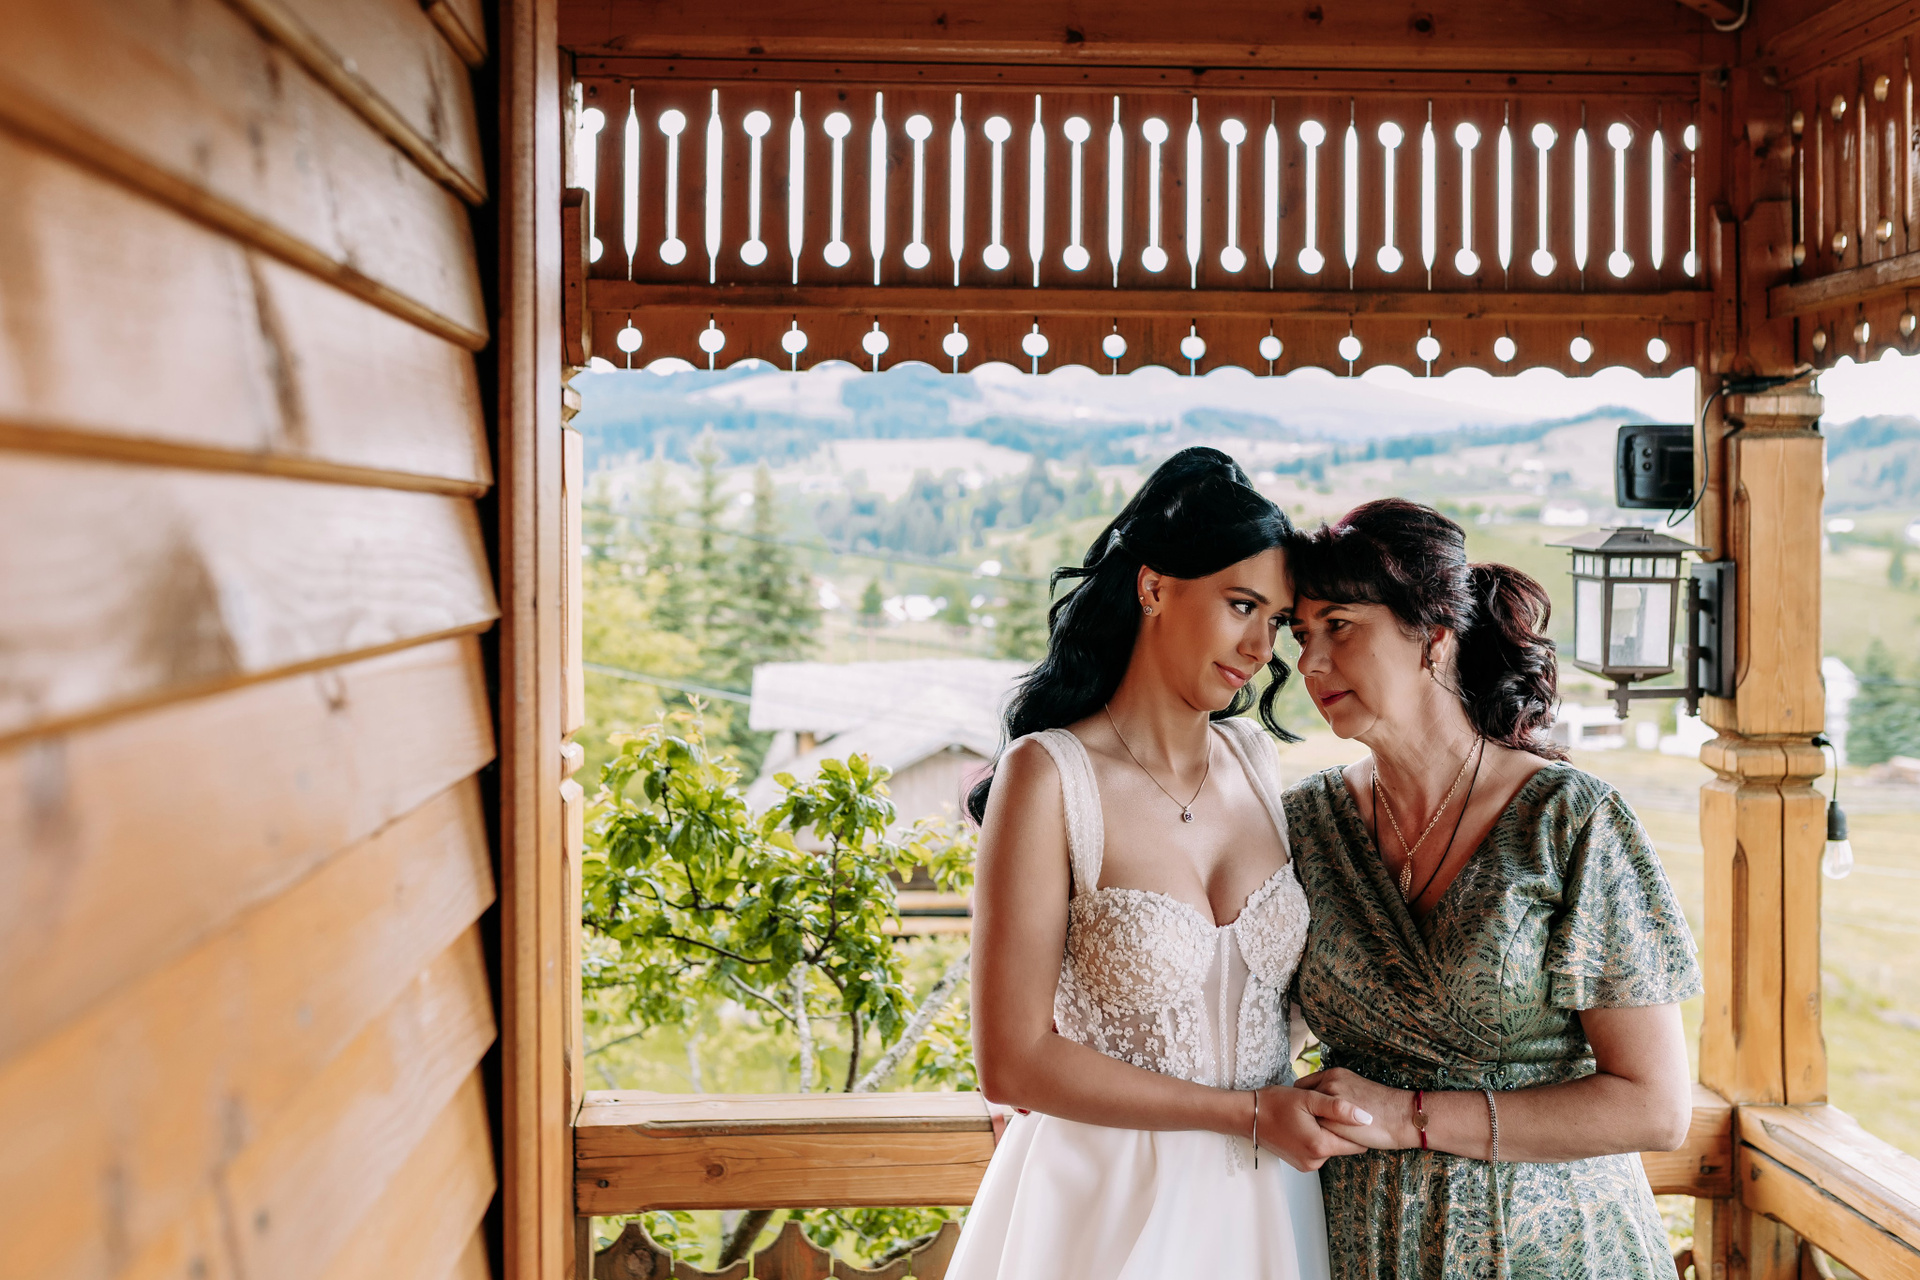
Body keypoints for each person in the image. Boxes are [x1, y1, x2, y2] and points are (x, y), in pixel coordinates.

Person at [946, 447, 1357, 1280]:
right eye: (1241, 605)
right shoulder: (1048, 775)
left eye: (1276, 621)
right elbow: (1011, 1059)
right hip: (1108, 1202)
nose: (1260, 647)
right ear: (1154, 586)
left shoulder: (1255, 761)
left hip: (1268, 1201)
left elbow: (1267, 998)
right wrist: (1247, 1113)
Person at [1281, 499, 1701, 1279]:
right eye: (1301, 634)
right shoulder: (1304, 825)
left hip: (1557, 1249)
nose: (1310, 663)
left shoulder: (1569, 819)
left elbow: (1655, 1107)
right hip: (1363, 1245)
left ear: (1434, 636)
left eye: (1339, 626)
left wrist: (1408, 1118)